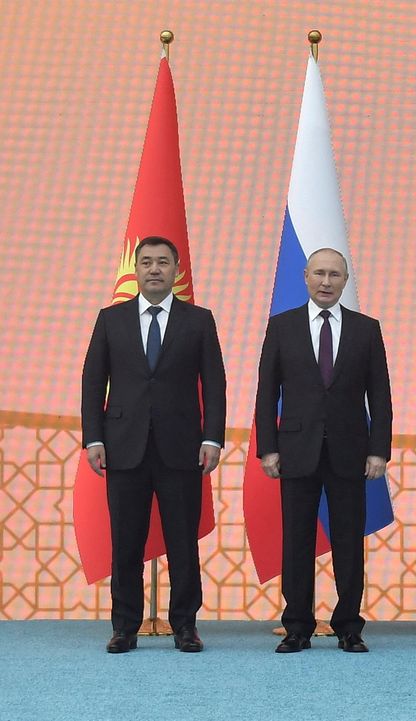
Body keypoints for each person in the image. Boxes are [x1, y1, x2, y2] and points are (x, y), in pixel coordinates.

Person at [81, 236, 226, 654]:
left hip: (182, 447)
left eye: (163, 262)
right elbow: (93, 382)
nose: (154, 269)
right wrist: (94, 437)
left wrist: (212, 437)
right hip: (123, 446)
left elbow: (215, 384)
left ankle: (186, 626)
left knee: (183, 540)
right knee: (126, 541)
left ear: (176, 270)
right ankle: (124, 626)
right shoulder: (111, 319)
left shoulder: (199, 320)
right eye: (146, 262)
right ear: (137, 269)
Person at [255, 248, 392, 654]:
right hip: (295, 451)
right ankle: (297, 626)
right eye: (319, 274)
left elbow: (380, 396)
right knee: (296, 542)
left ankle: (349, 625)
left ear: (345, 279)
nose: (326, 281)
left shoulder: (367, 329)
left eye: (334, 274)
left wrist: (378, 450)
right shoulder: (282, 327)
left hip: (352, 451)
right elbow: (267, 393)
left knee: (350, 542)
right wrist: (268, 448)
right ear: (306, 277)